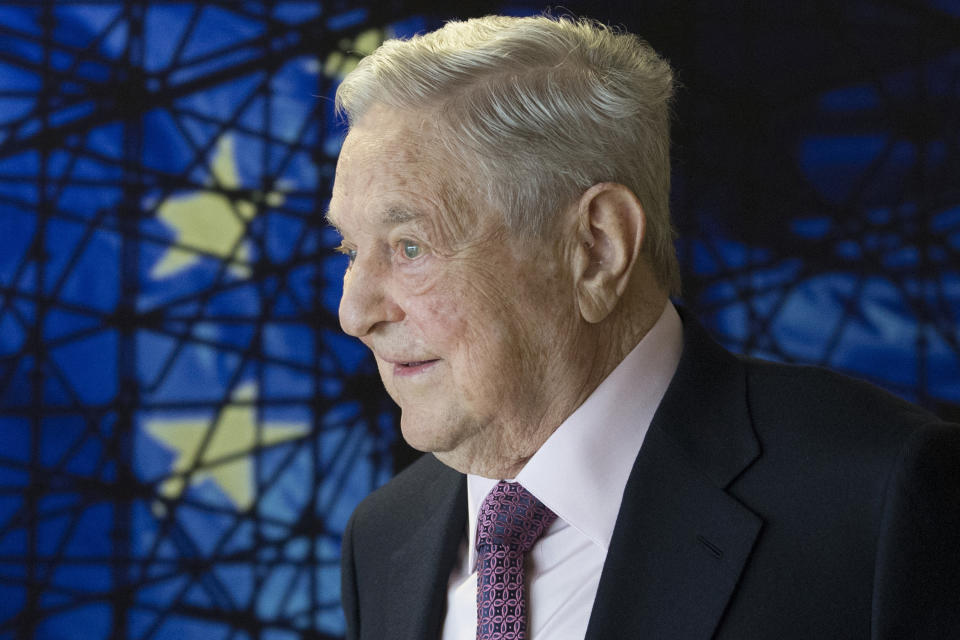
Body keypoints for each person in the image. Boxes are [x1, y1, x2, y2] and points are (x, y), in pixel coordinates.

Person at [326, 14, 960, 640]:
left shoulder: (882, 499)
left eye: (410, 247)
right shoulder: (383, 538)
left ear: (596, 248)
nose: (353, 314)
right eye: (351, 250)